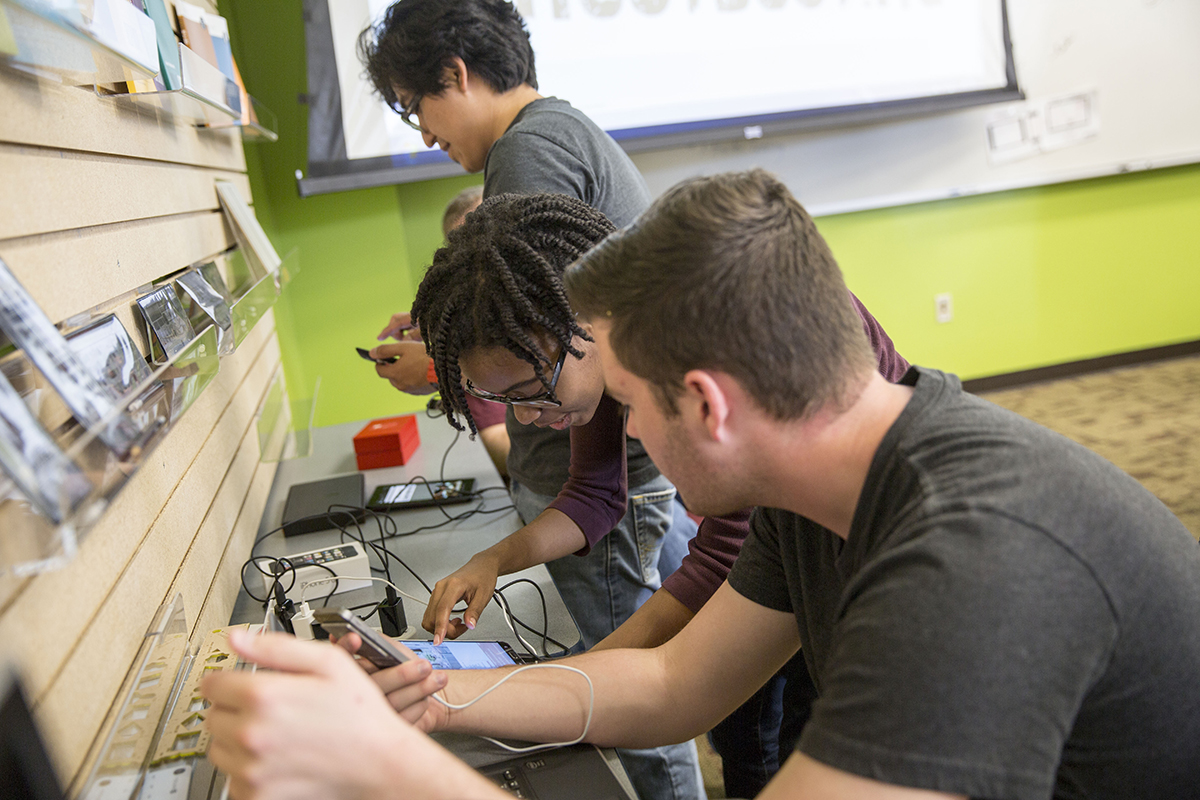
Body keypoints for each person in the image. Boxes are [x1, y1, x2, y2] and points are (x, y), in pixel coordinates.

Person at [204, 170, 1200, 800]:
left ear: (707, 404)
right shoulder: (820, 491)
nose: (622, 431)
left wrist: (387, 768)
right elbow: (677, 683)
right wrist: (433, 700)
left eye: (628, 404)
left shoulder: (977, 555)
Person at [356, 3, 702, 796]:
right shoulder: (592, 394)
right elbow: (595, 489)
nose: (424, 135)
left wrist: (439, 368)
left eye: (418, 109)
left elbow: (662, 683)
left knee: (644, 695)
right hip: (624, 487)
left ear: (457, 73)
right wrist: (497, 561)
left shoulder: (530, 155)